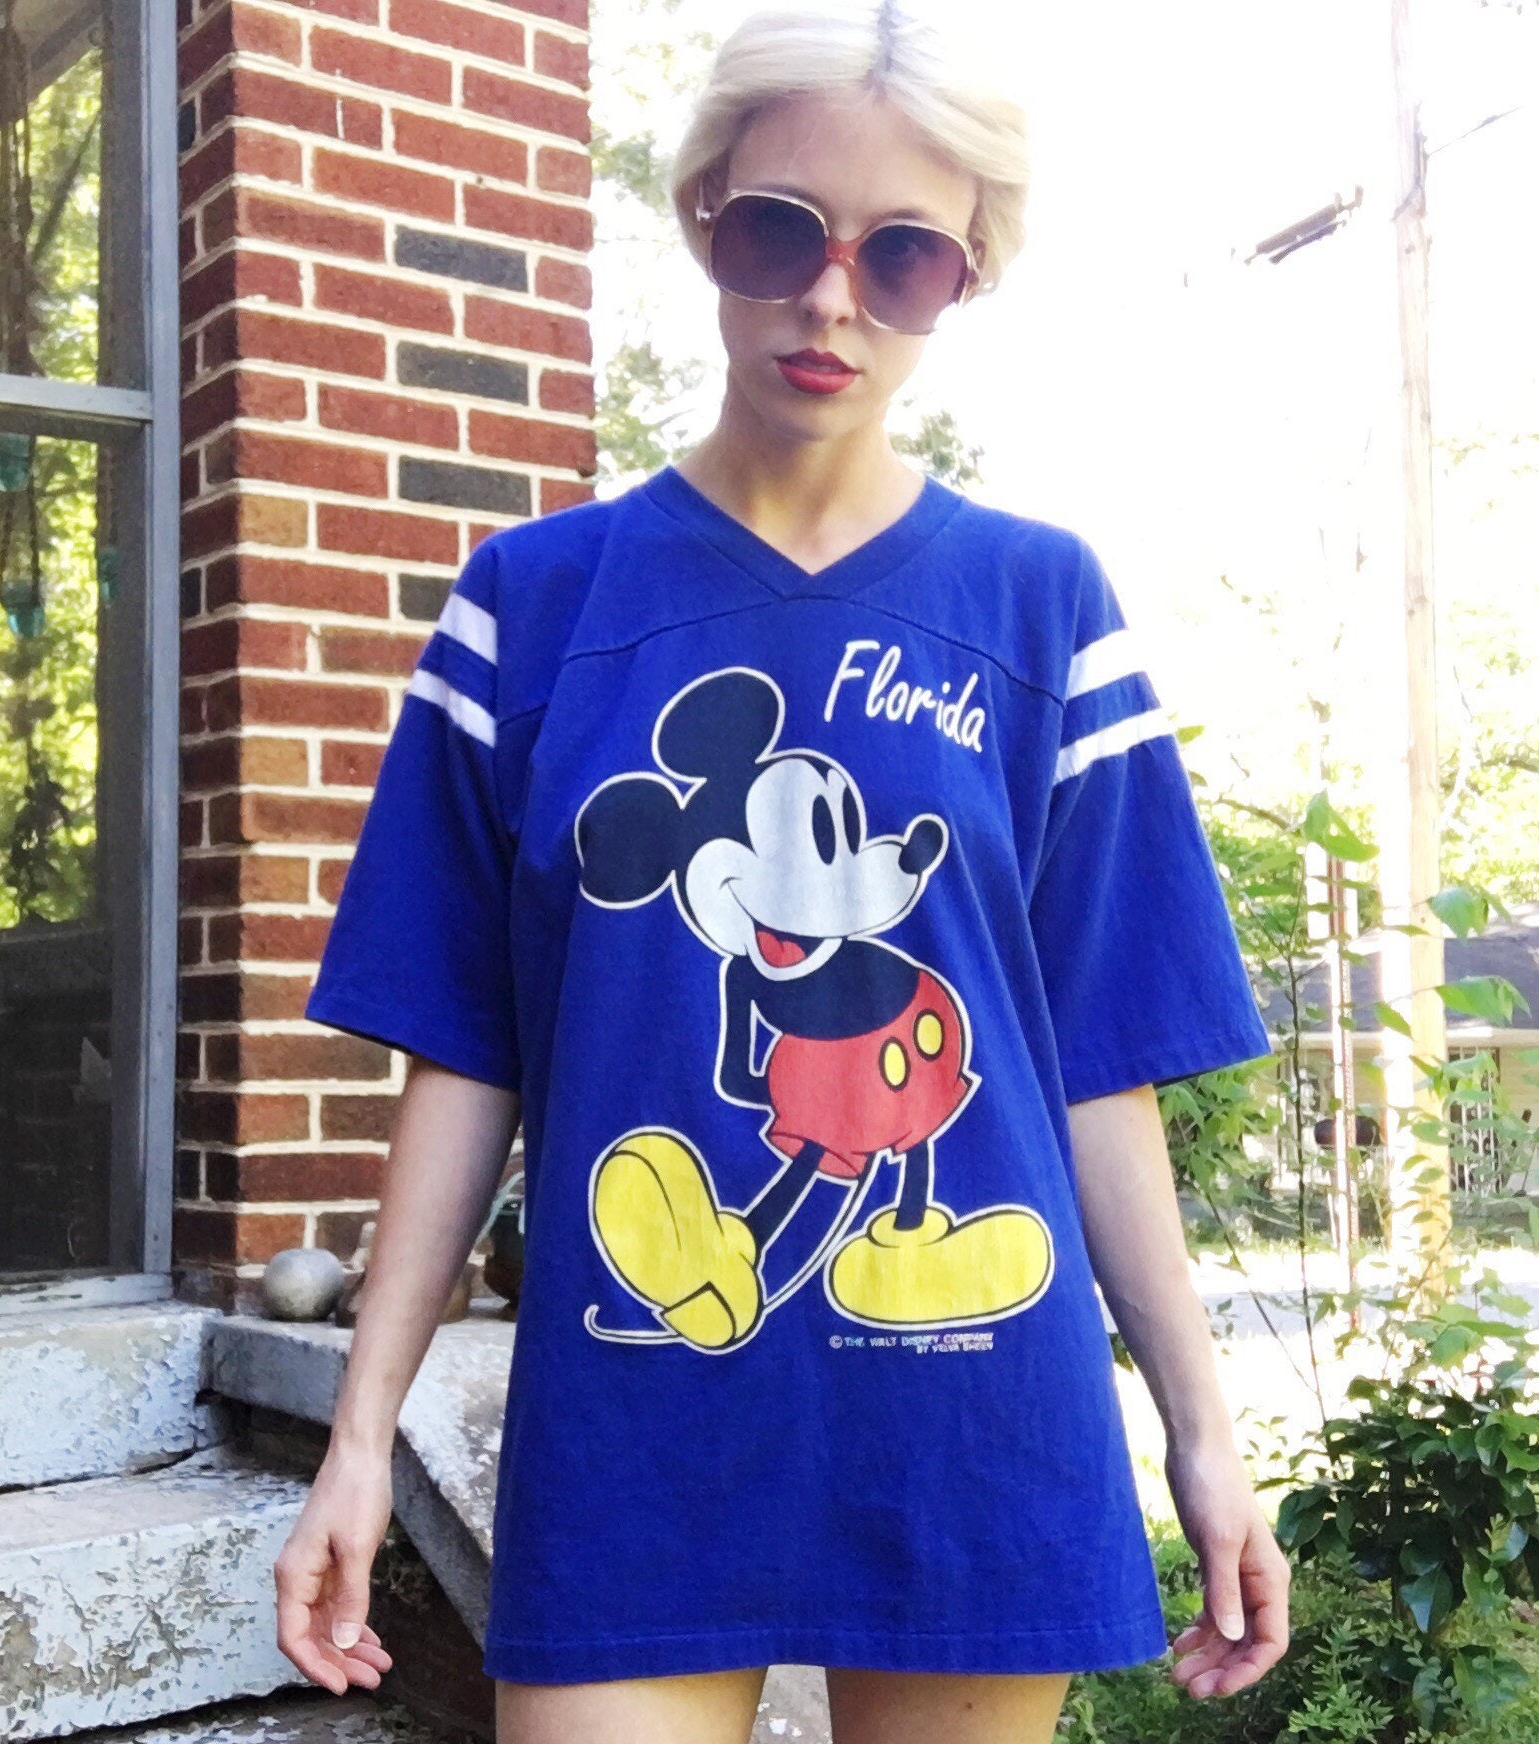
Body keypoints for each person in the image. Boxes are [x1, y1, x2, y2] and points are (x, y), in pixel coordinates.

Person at [273, 3, 1291, 1739]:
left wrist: (1202, 1430)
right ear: (700, 220)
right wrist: (358, 1436)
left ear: (964, 276)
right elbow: (463, 1051)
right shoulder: (531, 605)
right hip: (636, 1440)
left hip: (972, 1430)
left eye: (901, 256)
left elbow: (1093, 1060)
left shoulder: (1041, 608)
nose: (831, 300)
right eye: (778, 233)